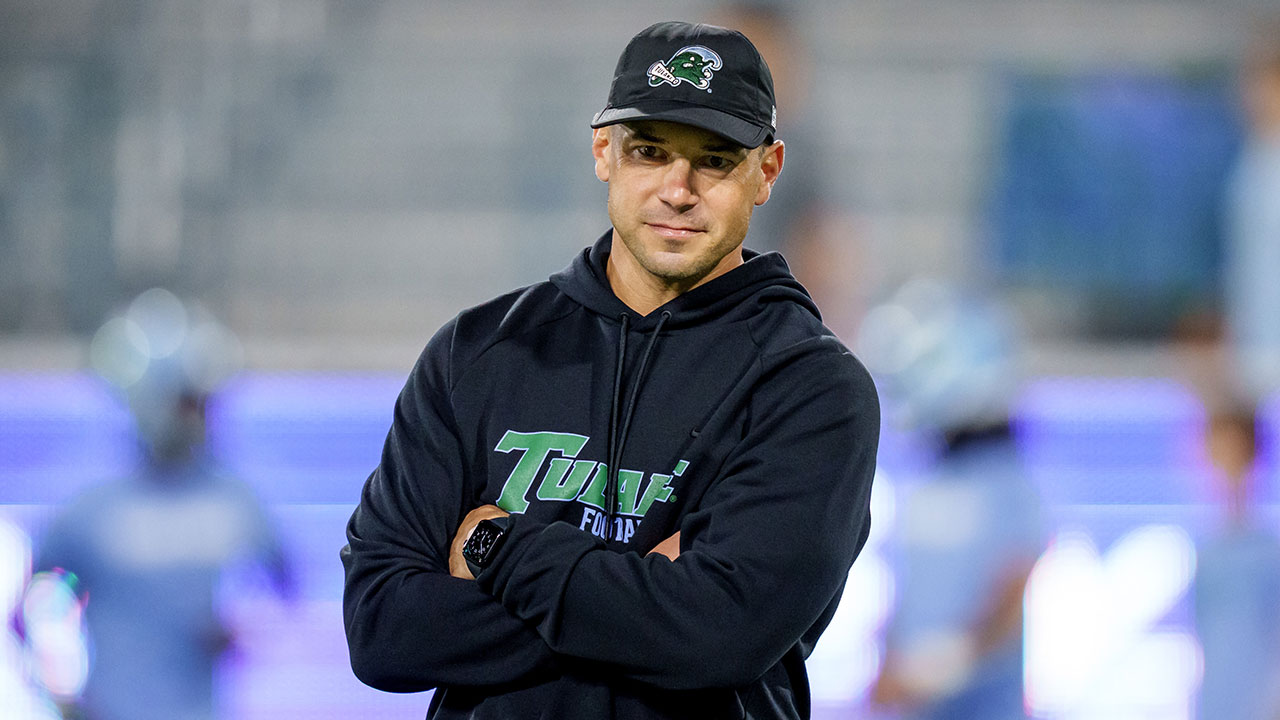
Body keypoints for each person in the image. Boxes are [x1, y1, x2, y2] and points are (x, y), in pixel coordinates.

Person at [341, 20, 880, 720]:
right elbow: (383, 629)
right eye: (650, 152)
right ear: (605, 153)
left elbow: (715, 638)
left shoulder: (812, 390)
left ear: (767, 172)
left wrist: (498, 545)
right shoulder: (476, 353)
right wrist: (649, 593)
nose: (677, 189)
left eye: (714, 160)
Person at [33, 288, 293, 720]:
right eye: (187, 403)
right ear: (150, 401)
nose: (199, 418)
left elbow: (284, 586)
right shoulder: (94, 511)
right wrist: (57, 688)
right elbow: (33, 599)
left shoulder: (234, 501)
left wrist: (245, 627)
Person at [860, 281, 1042, 719]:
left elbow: (1013, 594)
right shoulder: (927, 480)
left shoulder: (1008, 480)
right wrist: (888, 663)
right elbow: (907, 591)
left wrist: (938, 670)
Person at [1194, 405, 1280, 720]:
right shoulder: (1206, 554)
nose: (1223, 468)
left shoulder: (1269, 555)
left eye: (1233, 454)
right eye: (1216, 454)